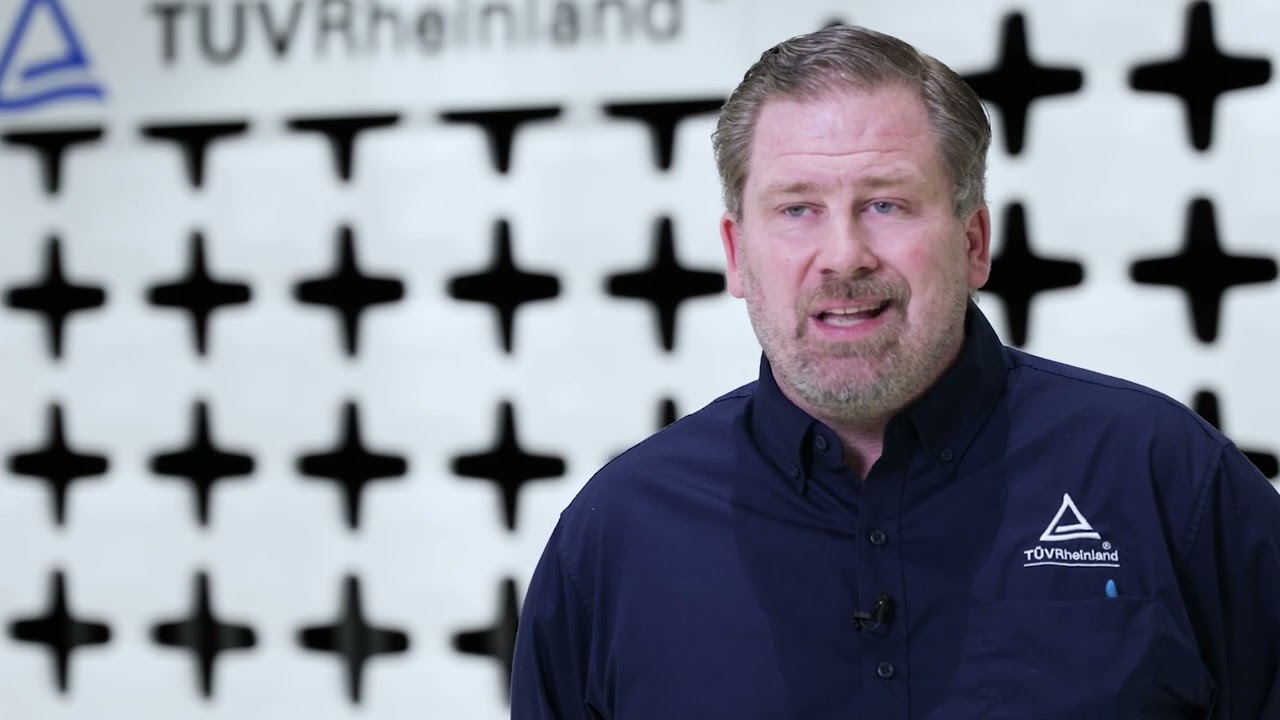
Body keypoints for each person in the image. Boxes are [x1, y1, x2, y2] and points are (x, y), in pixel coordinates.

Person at [509, 23, 1280, 719]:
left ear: (973, 242)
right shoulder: (617, 536)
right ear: (738, 255)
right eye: (798, 209)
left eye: (886, 204)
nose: (844, 256)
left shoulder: (1163, 477)